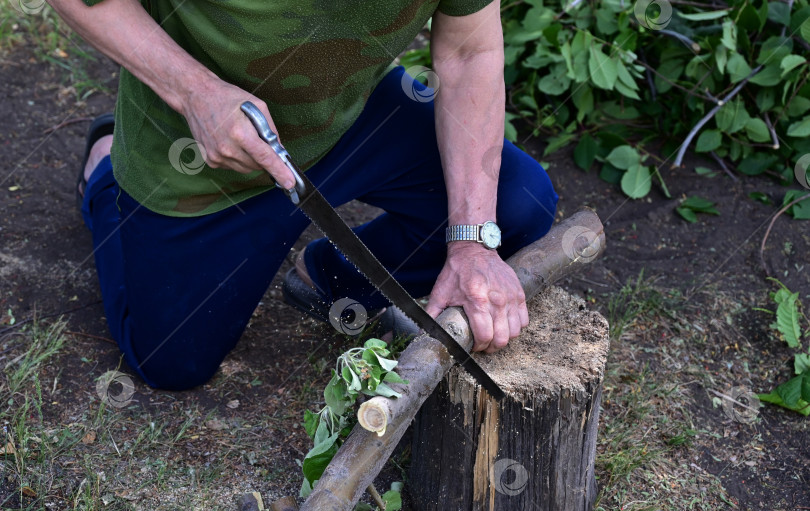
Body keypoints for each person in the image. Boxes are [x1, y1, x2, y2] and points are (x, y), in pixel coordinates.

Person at [50, 0, 558, 391]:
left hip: (349, 115)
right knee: (170, 362)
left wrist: (471, 243)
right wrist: (193, 92)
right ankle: (106, 171)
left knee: (517, 205)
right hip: (197, 156)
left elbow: (471, 53)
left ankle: (330, 278)